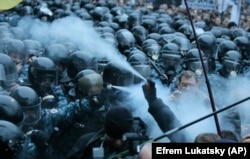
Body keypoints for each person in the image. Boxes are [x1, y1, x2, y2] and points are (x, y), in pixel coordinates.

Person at [66, 106, 149, 159]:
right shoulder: (88, 142)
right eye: (113, 138)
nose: (118, 142)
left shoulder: (142, 142)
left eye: (123, 138)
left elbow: (161, 151)